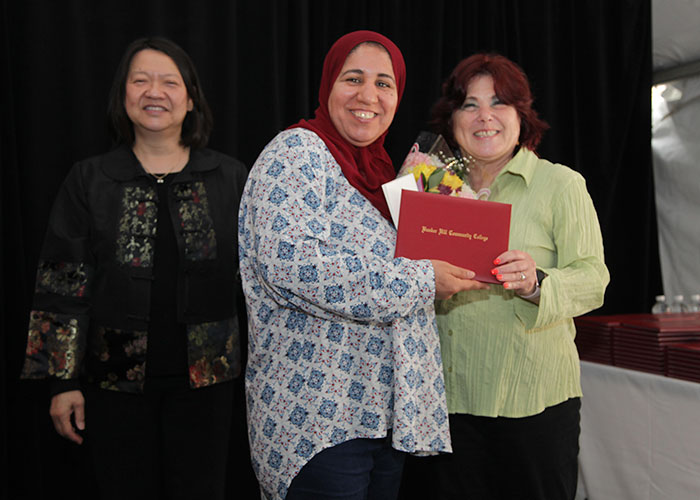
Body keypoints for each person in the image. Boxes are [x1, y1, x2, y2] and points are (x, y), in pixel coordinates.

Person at [238, 31, 487, 500]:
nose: (368, 96)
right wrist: (423, 277)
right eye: (353, 79)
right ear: (329, 84)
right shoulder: (297, 153)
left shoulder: (386, 175)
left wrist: (469, 239)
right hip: (317, 420)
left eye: (384, 84)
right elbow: (295, 265)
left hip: (383, 416)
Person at [19, 37, 248, 500]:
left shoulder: (230, 178)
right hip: (112, 384)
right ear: (122, 97)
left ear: (190, 98)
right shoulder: (90, 179)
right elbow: (61, 283)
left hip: (209, 381)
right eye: (140, 80)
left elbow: (262, 282)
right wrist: (61, 383)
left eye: (169, 81)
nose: (154, 92)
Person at [425, 53, 610, 499]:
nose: (484, 116)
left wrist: (536, 282)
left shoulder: (560, 184)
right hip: (447, 405)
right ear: (452, 119)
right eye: (469, 104)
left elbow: (593, 279)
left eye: (499, 103)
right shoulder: (431, 185)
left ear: (521, 115)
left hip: (533, 403)